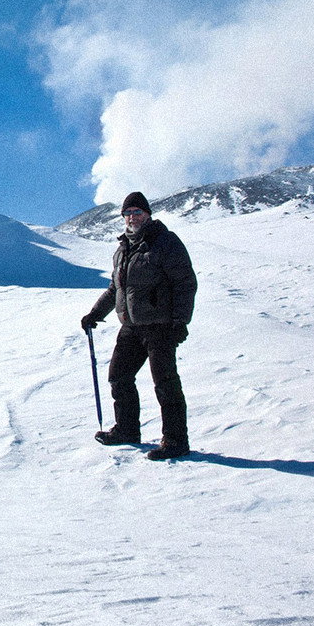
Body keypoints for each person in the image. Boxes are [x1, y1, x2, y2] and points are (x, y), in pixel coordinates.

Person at [80, 191, 198, 460]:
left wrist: (180, 321)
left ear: (148, 214)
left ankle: (176, 441)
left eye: (137, 212)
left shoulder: (165, 242)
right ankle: (127, 430)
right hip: (131, 326)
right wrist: (94, 314)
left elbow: (185, 283)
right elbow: (115, 289)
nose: (132, 217)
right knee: (118, 376)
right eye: (127, 213)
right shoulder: (123, 249)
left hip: (160, 326)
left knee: (165, 383)